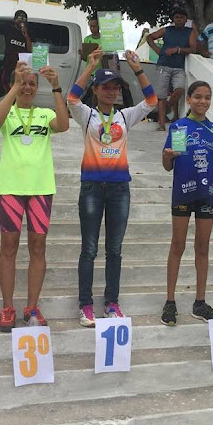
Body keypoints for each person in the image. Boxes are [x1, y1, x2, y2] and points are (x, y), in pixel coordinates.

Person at [67, 47, 157, 327]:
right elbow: (71, 98)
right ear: (95, 90)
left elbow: (152, 101)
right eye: (105, 87)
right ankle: (85, 305)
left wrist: (137, 69)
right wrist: (90, 66)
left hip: (119, 189)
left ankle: (111, 303)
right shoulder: (87, 115)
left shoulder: (125, 116)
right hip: (92, 187)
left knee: (114, 250)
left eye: (115, 87)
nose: (111, 91)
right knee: (89, 249)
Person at [0, 62, 70, 332]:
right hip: (10, 189)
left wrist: (56, 86)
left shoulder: (45, 114)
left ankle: (32, 307)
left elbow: (64, 125)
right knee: (9, 247)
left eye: (32, 84)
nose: (27, 88)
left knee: (38, 247)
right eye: (23, 83)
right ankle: (7, 307)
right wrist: (14, 86)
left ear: (38, 88)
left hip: (40, 189)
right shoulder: (8, 112)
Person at [161, 81, 213, 326]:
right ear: (189, 99)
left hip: (206, 194)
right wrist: (166, 156)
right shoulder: (180, 127)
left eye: (207, 97)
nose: (203, 101)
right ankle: (170, 302)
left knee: (203, 248)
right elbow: (169, 165)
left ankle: (199, 303)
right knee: (177, 246)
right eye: (198, 97)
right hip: (182, 192)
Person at [147, 4, 197, 131]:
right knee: (161, 95)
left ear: (186, 19)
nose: (179, 19)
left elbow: (193, 48)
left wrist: (178, 50)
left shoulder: (189, 32)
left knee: (180, 89)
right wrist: (156, 49)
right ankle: (162, 124)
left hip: (179, 66)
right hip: (163, 64)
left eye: (181, 17)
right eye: (176, 17)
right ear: (173, 19)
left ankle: (168, 106)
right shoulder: (166, 30)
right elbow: (149, 37)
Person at [0, 9, 32, 93]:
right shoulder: (8, 28)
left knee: (19, 87)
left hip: (21, 68)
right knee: (7, 85)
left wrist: (26, 35)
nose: (21, 23)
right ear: (15, 20)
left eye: (23, 21)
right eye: (19, 20)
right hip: (9, 65)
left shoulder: (27, 32)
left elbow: (30, 50)